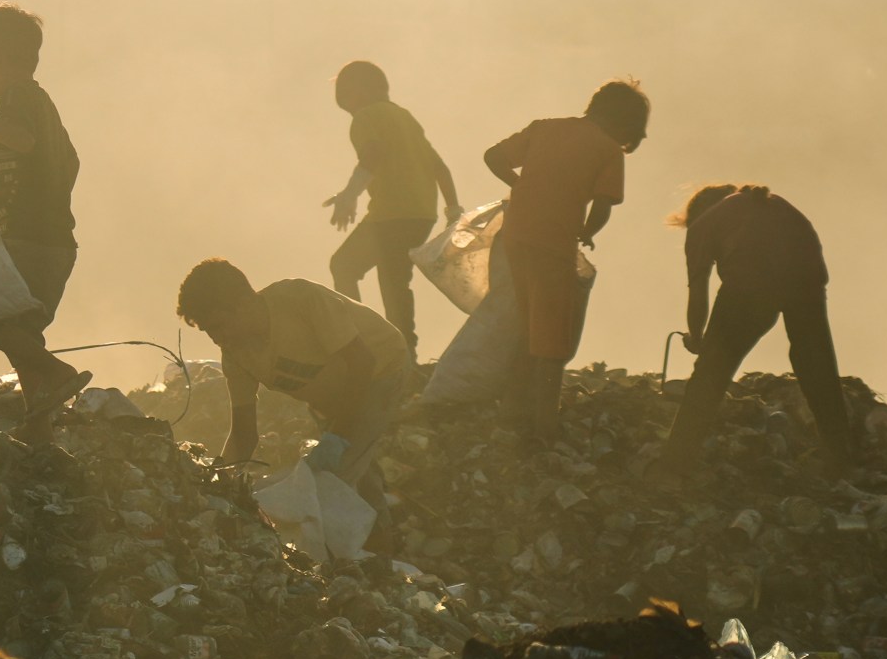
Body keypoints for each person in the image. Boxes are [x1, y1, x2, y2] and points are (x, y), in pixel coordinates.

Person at [176, 258, 414, 553]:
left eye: (219, 326)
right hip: (331, 395)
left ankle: (356, 561)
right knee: (357, 472)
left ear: (243, 303)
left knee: (330, 480)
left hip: (379, 370)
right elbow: (243, 433)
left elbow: (362, 364)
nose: (217, 338)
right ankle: (383, 554)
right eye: (208, 332)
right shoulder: (236, 354)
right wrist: (218, 482)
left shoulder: (302, 301)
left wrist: (337, 437)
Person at [0, 3, 89, 423]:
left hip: (33, 241)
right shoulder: (40, 106)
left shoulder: (21, 97)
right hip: (49, 242)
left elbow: (23, 141)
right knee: (23, 335)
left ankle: (58, 376)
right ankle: (38, 421)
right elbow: (71, 160)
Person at [483, 79, 651, 443]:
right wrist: (588, 232)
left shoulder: (546, 128)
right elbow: (603, 206)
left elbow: (492, 157)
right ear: (624, 126)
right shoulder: (608, 150)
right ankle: (544, 427)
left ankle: (511, 410)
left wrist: (519, 186)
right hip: (553, 242)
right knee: (553, 338)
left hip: (516, 235)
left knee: (528, 322)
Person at [650, 184, 857, 475]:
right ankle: (842, 460)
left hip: (750, 281)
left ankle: (674, 465)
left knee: (711, 373)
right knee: (816, 367)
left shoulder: (703, 224)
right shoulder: (772, 205)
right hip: (807, 272)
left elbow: (698, 296)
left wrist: (698, 339)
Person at [324, 61, 460, 354]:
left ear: (355, 93)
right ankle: (405, 353)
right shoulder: (403, 117)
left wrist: (349, 195)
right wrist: (454, 211)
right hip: (422, 214)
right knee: (394, 280)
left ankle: (361, 344)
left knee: (344, 266)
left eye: (345, 99)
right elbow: (440, 167)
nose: (347, 108)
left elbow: (373, 153)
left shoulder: (365, 117)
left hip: (391, 214)